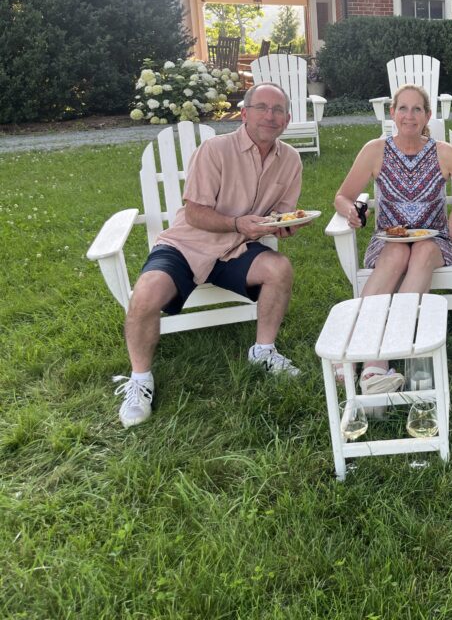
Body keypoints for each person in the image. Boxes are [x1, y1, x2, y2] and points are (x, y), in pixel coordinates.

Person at [113, 82, 309, 428]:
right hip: (187, 245)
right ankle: (140, 380)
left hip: (236, 250)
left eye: (278, 110)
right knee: (145, 295)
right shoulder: (215, 151)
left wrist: (284, 226)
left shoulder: (290, 159)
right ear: (244, 113)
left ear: (288, 119)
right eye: (262, 107)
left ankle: (263, 352)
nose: (270, 115)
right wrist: (237, 223)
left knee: (279, 268)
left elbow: (280, 214)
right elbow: (195, 214)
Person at [334, 83, 452, 393]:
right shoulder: (374, 150)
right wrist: (350, 210)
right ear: (392, 112)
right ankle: (373, 363)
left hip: (435, 239)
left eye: (417, 109)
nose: (409, 116)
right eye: (402, 108)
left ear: (428, 116)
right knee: (396, 254)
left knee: (420, 251)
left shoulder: (442, 152)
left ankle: (379, 356)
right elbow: (342, 196)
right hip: (388, 239)